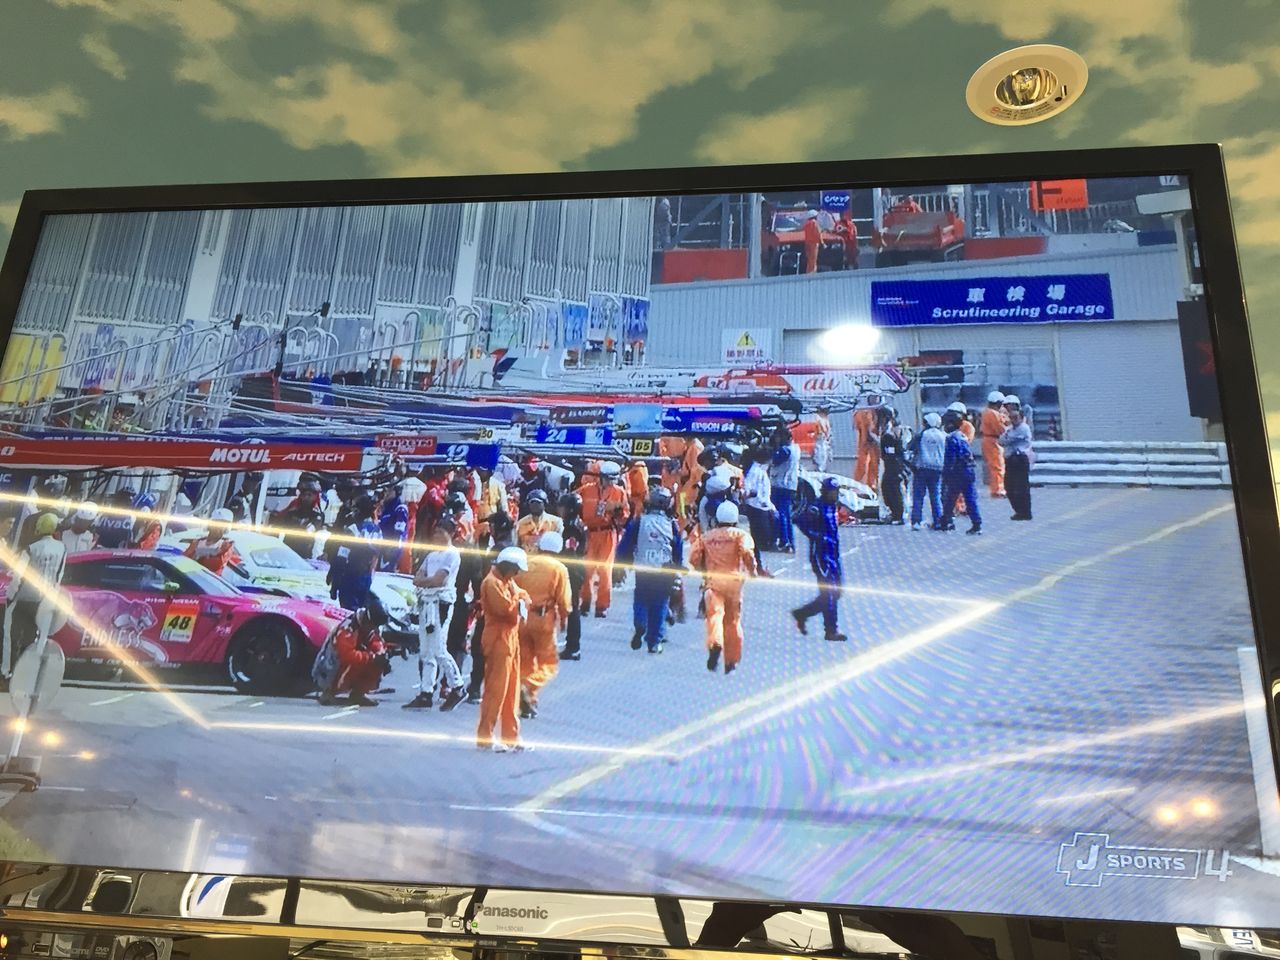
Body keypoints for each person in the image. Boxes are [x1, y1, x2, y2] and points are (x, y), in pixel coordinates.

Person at [404, 522, 467, 711]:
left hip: (441, 604)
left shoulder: (452, 554)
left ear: (451, 533)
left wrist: (426, 581)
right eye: (435, 532)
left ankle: (458, 686)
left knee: (439, 648)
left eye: (441, 532)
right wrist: (427, 581)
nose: (437, 536)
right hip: (426, 603)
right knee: (426, 651)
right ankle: (426, 692)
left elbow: (439, 580)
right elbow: (417, 578)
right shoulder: (431, 555)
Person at [476, 546, 532, 753]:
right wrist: (519, 602)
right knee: (495, 691)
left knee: (511, 691)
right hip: (498, 639)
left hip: (510, 639)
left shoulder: (507, 581)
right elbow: (506, 611)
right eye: (516, 569)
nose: (517, 574)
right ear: (507, 566)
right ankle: (486, 737)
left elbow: (524, 596)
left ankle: (511, 736)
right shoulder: (492, 583)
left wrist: (520, 600)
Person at [689, 500, 756, 673]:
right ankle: (731, 662)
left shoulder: (707, 537)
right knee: (733, 622)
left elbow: (694, 557)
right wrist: (752, 571)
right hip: (734, 584)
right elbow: (747, 554)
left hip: (713, 583)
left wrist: (702, 571)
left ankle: (715, 644)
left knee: (714, 617)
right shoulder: (741, 535)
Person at [617, 488, 684, 654]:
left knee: (640, 599)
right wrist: (678, 565)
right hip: (663, 571)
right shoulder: (671, 524)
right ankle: (654, 642)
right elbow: (678, 546)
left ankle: (640, 624)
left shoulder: (640, 521)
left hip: (643, 569)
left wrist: (621, 562)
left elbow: (625, 543)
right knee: (659, 605)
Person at [4, 512, 67, 679]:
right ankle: (27, 674)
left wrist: (10, 597)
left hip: (25, 599)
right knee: (34, 639)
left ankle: (10, 672)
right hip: (45, 601)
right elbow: (59, 576)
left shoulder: (31, 548)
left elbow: (18, 576)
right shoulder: (62, 549)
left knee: (13, 636)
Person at [515, 531, 571, 718]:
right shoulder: (558, 568)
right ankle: (528, 686)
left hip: (522, 618)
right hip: (543, 619)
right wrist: (564, 620)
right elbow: (563, 600)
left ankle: (528, 702)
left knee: (525, 661)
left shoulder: (526, 563)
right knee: (549, 663)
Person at [792, 477, 847, 642]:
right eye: (833, 492)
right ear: (825, 492)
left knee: (837, 592)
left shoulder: (833, 505)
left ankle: (802, 613)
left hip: (834, 553)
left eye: (837, 491)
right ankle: (831, 630)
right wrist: (817, 536)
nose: (835, 494)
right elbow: (799, 521)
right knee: (829, 592)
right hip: (821, 555)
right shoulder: (816, 507)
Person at [320, 597, 392, 707]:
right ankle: (329, 692)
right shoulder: (348, 627)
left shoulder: (371, 627)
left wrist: (382, 656)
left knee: (378, 661)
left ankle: (358, 694)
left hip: (348, 658)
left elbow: (376, 642)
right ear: (367, 619)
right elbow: (347, 655)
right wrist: (372, 657)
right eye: (372, 625)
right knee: (356, 661)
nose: (373, 628)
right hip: (330, 666)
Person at [578, 461, 628, 618]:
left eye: (613, 479)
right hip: (589, 534)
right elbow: (572, 500)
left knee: (605, 571)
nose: (610, 482)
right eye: (608, 479)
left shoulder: (619, 492)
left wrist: (619, 513)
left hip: (607, 533)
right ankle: (585, 603)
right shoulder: (586, 490)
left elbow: (625, 515)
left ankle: (602, 606)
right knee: (587, 570)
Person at [327, 494, 380, 610]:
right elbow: (377, 555)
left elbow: (342, 555)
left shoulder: (352, 529)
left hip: (349, 576)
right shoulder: (377, 530)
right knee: (361, 610)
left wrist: (334, 578)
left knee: (348, 611)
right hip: (366, 577)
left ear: (358, 511)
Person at [939, 408, 982, 535]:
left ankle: (946, 521)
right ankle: (977, 523)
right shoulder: (962, 436)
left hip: (957, 472)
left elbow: (950, 459)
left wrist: (946, 474)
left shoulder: (952, 439)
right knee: (970, 498)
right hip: (969, 470)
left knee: (950, 498)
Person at [557, 492, 589, 661]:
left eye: (563, 507)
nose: (560, 510)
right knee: (572, 607)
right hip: (576, 568)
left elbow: (570, 551)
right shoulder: (578, 523)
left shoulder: (572, 528)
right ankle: (571, 645)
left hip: (572, 570)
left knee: (572, 607)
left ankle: (573, 646)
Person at [741, 447, 776, 576]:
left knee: (761, 540)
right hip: (756, 509)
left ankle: (758, 566)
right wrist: (755, 496)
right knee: (758, 541)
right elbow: (747, 490)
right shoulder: (755, 471)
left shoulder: (761, 471)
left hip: (763, 508)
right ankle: (758, 567)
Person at [1000, 395, 1034, 521]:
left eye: (1016, 418)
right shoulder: (1010, 429)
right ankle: (1018, 511)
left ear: (1021, 417)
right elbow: (1001, 441)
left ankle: (1025, 512)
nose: (1013, 420)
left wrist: (1007, 437)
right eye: (1012, 418)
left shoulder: (1023, 428)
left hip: (1020, 459)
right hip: (1010, 460)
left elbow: (1009, 439)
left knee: (1021, 488)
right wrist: (1007, 436)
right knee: (1009, 487)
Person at [909, 413, 945, 531]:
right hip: (937, 469)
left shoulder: (921, 435)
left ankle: (916, 521)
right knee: (935, 496)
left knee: (918, 496)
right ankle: (938, 521)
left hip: (921, 468)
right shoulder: (943, 435)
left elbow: (910, 447)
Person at [768, 426, 800, 554]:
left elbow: (773, 461)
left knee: (780, 514)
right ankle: (789, 542)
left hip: (781, 485)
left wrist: (774, 448)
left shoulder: (785, 451)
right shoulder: (795, 448)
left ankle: (785, 541)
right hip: (790, 485)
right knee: (786, 515)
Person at [183, 508, 241, 576]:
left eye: (222, 525)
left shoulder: (226, 546)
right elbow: (184, 558)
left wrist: (198, 555)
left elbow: (215, 565)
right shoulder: (198, 541)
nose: (217, 527)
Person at [878, 415, 907, 524]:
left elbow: (889, 453)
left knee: (891, 489)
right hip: (893, 466)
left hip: (893, 467)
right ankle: (895, 513)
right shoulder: (893, 435)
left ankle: (897, 515)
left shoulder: (889, 437)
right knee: (889, 488)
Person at [981, 391, 1010, 498]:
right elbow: (1000, 428)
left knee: (995, 465)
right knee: (997, 466)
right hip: (992, 440)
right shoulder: (992, 413)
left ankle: (997, 488)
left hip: (989, 440)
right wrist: (1008, 429)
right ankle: (997, 489)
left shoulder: (987, 412)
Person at [377, 483, 410, 572]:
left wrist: (393, 550)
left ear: (396, 491)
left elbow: (400, 532)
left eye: (389, 490)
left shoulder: (400, 508)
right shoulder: (385, 508)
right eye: (384, 490)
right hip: (381, 547)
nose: (386, 493)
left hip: (390, 550)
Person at [853, 403, 880, 490]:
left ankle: (871, 485)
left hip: (874, 445)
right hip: (865, 444)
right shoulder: (863, 413)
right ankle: (858, 485)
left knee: (874, 465)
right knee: (862, 465)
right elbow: (859, 429)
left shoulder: (880, 412)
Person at [812, 403, 833, 472]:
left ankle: (822, 468)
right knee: (820, 453)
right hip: (820, 439)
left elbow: (828, 430)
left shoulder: (825, 418)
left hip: (824, 440)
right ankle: (819, 468)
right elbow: (821, 429)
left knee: (824, 453)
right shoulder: (818, 418)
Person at [802, 209, 822, 274]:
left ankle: (808, 271)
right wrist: (822, 242)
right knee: (813, 259)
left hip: (807, 243)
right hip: (814, 243)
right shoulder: (815, 223)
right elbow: (818, 233)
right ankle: (813, 272)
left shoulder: (806, 224)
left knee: (809, 259)